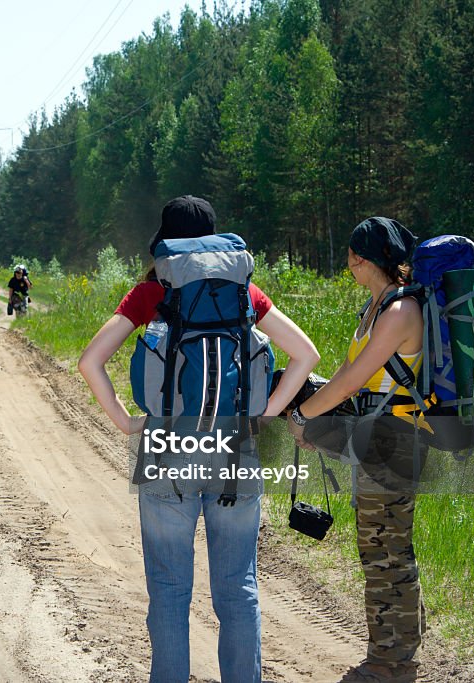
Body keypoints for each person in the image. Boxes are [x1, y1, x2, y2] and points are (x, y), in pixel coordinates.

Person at [78, 196, 320, 683]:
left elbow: (90, 361)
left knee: (169, 589)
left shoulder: (151, 292)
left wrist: (128, 424)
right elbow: (306, 355)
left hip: (167, 451)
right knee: (238, 589)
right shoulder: (241, 293)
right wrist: (265, 414)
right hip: (237, 451)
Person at [286, 217, 426, 683]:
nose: (350, 266)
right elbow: (350, 377)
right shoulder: (376, 307)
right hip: (375, 438)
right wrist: (314, 418)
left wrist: (306, 415)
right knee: (382, 547)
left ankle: (391, 663)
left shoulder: (399, 312)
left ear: (361, 259)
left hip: (396, 441)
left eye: (352, 258)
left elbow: (350, 380)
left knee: (386, 552)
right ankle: (400, 644)